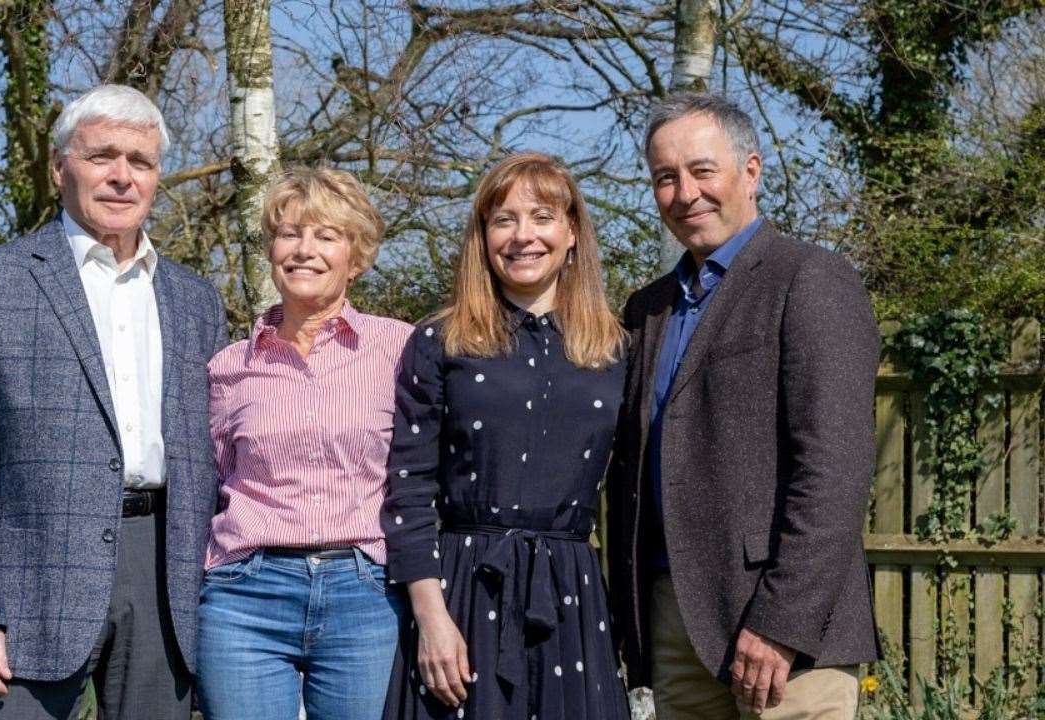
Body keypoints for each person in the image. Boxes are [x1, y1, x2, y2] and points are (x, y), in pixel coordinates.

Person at [0, 84, 227, 720]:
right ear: (61, 167)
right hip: (30, 578)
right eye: (102, 157)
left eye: (140, 162)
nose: (122, 177)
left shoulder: (196, 300)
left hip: (165, 572)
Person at [606, 92, 880, 719]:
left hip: (783, 631)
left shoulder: (809, 279)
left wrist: (783, 619)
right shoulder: (647, 310)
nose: (685, 193)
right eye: (665, 178)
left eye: (703, 171)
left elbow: (834, 469)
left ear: (750, 171)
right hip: (674, 622)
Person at [381, 152, 632, 720]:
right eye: (504, 219)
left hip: (573, 594)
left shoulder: (616, 349)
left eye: (542, 217)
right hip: (464, 592)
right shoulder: (440, 341)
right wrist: (431, 617)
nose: (524, 236)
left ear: (572, 233)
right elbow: (408, 488)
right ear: (483, 236)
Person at [195, 167, 412, 720]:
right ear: (272, 249)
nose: (304, 250)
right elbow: (211, 482)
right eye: (290, 233)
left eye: (326, 236)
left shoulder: (401, 350)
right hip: (245, 596)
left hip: (365, 593)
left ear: (356, 256)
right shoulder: (228, 368)